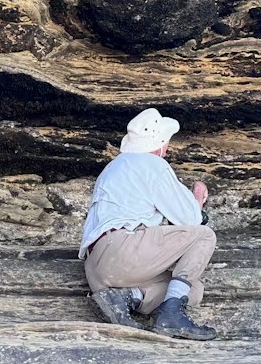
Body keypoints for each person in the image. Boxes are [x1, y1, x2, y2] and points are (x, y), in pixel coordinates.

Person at [80, 108, 217, 340]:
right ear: (161, 143)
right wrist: (197, 200)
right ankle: (171, 317)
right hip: (123, 249)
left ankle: (126, 297)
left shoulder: (112, 168)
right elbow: (190, 219)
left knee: (192, 290)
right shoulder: (152, 164)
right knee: (204, 235)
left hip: (96, 269)